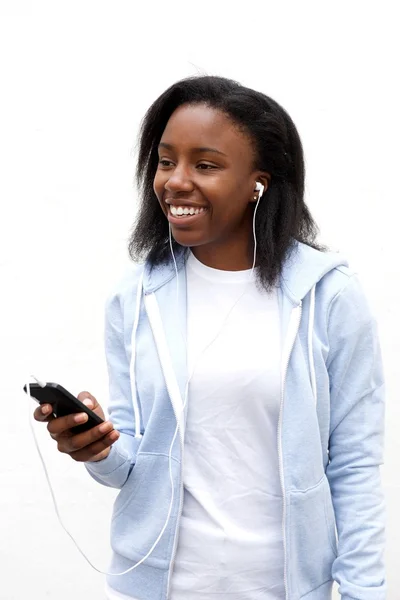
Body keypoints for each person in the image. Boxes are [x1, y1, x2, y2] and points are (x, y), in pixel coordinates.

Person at [34, 75, 386, 600]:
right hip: (159, 587)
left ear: (257, 184)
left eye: (206, 165)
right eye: (165, 160)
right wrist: (96, 449)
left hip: (285, 587)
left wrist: (365, 592)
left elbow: (355, 464)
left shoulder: (328, 296)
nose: (174, 182)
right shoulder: (135, 299)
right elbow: (130, 467)